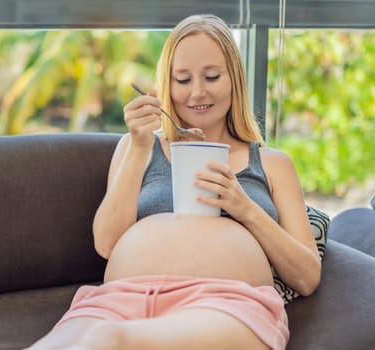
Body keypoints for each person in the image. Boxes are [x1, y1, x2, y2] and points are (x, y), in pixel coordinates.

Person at [26, 13, 321, 350]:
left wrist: (245, 208)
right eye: (182, 80)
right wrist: (138, 147)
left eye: (212, 76)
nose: (197, 92)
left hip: (223, 303)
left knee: (106, 341)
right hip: (121, 298)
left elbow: (307, 277)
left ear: (234, 80)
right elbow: (106, 243)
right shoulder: (135, 147)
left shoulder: (273, 164)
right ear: (166, 84)